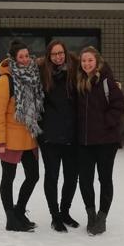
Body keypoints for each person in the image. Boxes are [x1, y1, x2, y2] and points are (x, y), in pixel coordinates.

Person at [0, 40, 44, 232]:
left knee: (33, 176)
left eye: (27, 56)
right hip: (10, 139)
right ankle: (10, 219)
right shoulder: (5, 80)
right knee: (8, 178)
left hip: (29, 137)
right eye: (20, 56)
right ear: (13, 58)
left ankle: (19, 210)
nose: (24, 59)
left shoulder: (32, 77)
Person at [74, 46, 124, 236]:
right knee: (85, 180)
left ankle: (102, 218)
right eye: (83, 61)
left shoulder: (106, 81)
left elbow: (119, 106)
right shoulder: (78, 82)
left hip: (106, 141)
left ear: (97, 62)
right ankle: (90, 215)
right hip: (84, 142)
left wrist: (105, 124)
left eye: (90, 60)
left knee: (104, 179)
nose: (86, 63)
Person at [38, 40, 80, 233]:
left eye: (60, 53)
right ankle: (55, 216)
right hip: (50, 136)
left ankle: (65, 211)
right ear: (49, 56)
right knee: (52, 176)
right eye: (54, 54)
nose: (58, 57)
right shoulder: (42, 74)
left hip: (72, 135)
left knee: (72, 177)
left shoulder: (74, 72)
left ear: (65, 53)